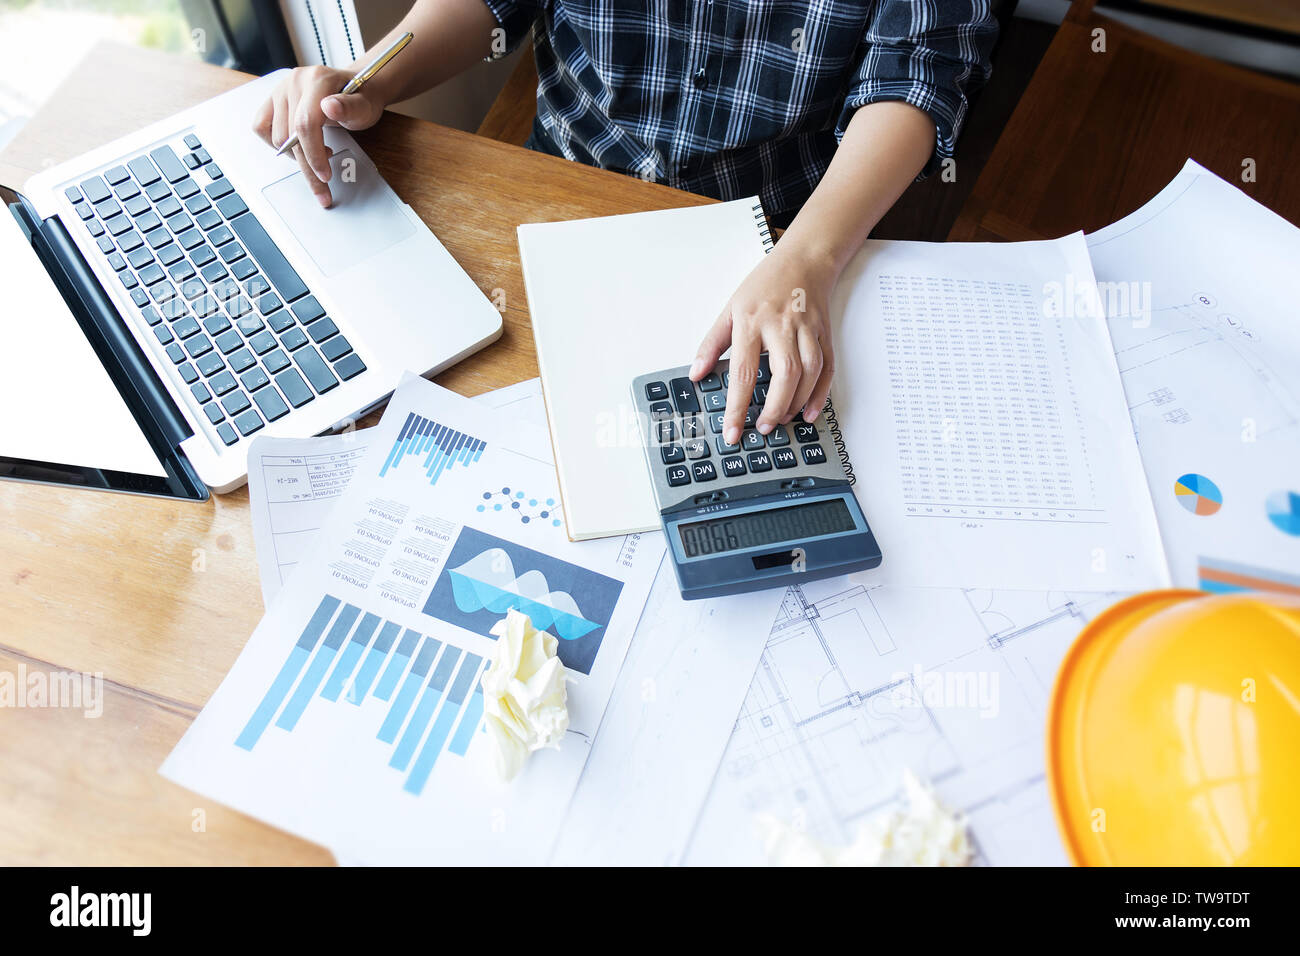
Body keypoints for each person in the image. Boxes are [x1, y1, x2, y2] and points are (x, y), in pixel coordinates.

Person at [254, 0, 997, 446]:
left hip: (773, 227)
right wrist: (368, 79)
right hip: (559, 190)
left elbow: (917, 76)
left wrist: (808, 257)